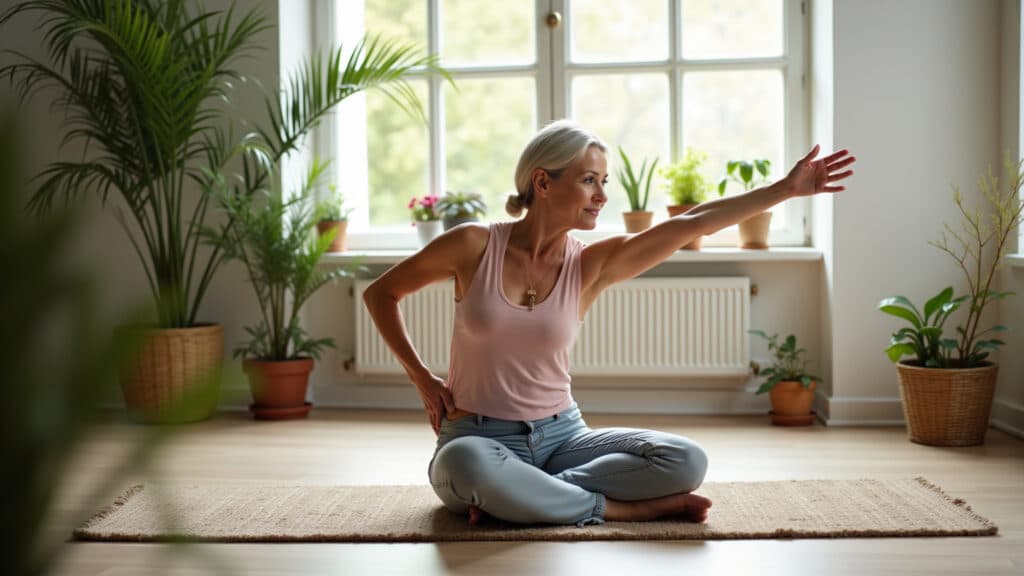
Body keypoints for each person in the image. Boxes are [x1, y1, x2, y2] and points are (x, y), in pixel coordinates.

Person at [363, 120, 855, 527]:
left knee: (685, 460)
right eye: (589, 180)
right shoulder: (472, 245)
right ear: (542, 182)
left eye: (604, 182)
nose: (601, 196)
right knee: (467, 467)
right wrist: (422, 378)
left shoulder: (590, 264)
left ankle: (524, 500)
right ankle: (619, 509)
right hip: (476, 437)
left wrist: (784, 191)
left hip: (563, 438)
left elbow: (693, 222)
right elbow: (380, 293)